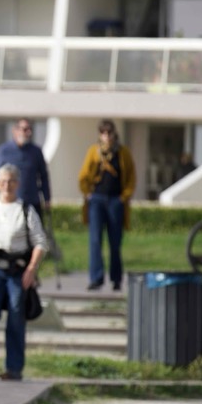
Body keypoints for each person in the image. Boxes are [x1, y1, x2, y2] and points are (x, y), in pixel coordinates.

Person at [0, 164, 47, 381]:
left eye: (11, 181)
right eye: (3, 181)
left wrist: (31, 269)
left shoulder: (25, 210)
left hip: (17, 268)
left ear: (17, 184)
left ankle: (14, 367)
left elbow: (40, 242)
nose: (7, 185)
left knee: (15, 312)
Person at [78, 120, 135, 291]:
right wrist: (87, 193)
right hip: (97, 200)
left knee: (115, 242)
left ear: (114, 134)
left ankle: (116, 278)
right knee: (95, 240)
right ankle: (96, 278)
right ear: (99, 135)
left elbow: (131, 177)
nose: (107, 136)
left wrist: (124, 197)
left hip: (115, 201)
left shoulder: (123, 152)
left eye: (109, 133)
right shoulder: (94, 152)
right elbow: (83, 176)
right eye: (103, 133)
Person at [0, 118, 50, 214]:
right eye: (24, 129)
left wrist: (47, 198)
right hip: (10, 203)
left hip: (32, 201)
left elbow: (43, 176)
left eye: (30, 129)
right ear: (15, 130)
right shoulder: (4, 150)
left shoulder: (36, 151)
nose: (28, 133)